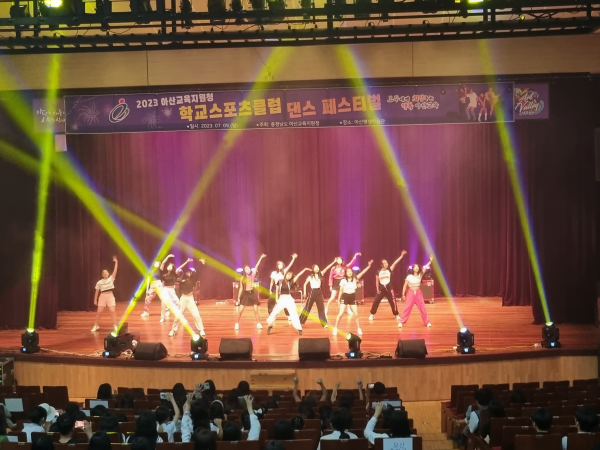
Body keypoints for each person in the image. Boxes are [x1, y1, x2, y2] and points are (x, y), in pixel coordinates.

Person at [332, 261, 373, 336]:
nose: (349, 273)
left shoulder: (355, 279)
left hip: (352, 297)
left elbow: (362, 273)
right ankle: (335, 328)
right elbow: (341, 291)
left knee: (356, 314)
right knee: (340, 314)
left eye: (350, 271)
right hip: (345, 297)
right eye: (348, 271)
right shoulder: (343, 280)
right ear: (346, 273)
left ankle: (359, 328)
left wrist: (369, 266)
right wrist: (338, 301)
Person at [169, 259, 207, 337]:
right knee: (178, 315)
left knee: (196, 315)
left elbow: (199, 271)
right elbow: (176, 272)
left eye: (189, 272)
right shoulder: (180, 279)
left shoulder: (193, 279)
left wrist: (202, 263)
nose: (188, 273)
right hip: (183, 298)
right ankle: (173, 330)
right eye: (186, 272)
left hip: (190, 299)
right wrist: (186, 262)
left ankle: (201, 329)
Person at [267, 270, 308, 336]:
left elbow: (298, 275)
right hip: (281, 298)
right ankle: (270, 326)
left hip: (288, 299)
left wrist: (304, 270)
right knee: (274, 312)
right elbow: (277, 291)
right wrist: (277, 299)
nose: (289, 276)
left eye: (290, 276)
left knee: (293, 313)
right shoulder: (279, 281)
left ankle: (299, 328)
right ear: (286, 274)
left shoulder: (291, 282)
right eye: (288, 274)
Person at [369, 251, 406, 321]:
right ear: (381, 265)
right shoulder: (378, 272)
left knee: (393, 302)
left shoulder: (389, 270)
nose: (386, 264)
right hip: (381, 289)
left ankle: (396, 314)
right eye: (384, 263)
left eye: (386, 263)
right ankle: (372, 314)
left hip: (389, 288)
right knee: (376, 301)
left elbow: (395, 263)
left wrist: (401, 256)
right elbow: (377, 281)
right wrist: (377, 289)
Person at [399, 255, 433, 328]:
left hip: (418, 293)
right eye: (415, 267)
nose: (416, 268)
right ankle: (401, 322)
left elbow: (425, 267)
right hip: (410, 293)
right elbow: (405, 285)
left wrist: (430, 261)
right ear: (413, 269)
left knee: (422, 308)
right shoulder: (409, 276)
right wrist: (403, 294)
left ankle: (427, 322)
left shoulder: (420, 275)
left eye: (417, 267)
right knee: (407, 307)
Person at [300, 260, 336, 328]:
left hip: (319, 292)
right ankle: (301, 320)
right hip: (312, 292)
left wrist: (334, 262)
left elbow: (327, 268)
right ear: (313, 269)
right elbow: (304, 284)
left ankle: (324, 323)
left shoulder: (320, 274)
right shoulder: (310, 276)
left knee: (321, 308)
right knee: (307, 308)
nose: (317, 268)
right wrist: (304, 293)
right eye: (315, 267)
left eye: (317, 267)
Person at [235, 254, 267, 330]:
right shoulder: (242, 278)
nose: (248, 270)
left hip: (252, 293)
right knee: (240, 310)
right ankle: (236, 323)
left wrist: (260, 257)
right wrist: (238, 298)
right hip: (245, 294)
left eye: (248, 268)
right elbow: (241, 289)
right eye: (246, 269)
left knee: (256, 310)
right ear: (244, 270)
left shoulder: (252, 275)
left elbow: (256, 266)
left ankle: (258, 323)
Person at [325, 253, 361, 317]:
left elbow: (351, 263)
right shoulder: (333, 268)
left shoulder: (345, 267)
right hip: (336, 282)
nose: (340, 260)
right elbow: (331, 277)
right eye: (338, 259)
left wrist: (355, 256)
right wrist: (330, 285)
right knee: (332, 297)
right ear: (336, 260)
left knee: (346, 296)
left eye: (341, 259)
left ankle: (348, 309)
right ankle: (326, 308)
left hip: (343, 281)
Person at [159, 254, 190, 324]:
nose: (168, 267)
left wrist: (187, 261)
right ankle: (162, 317)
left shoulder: (174, 274)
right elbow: (163, 263)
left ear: (173, 268)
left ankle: (181, 317)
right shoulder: (164, 275)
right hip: (165, 290)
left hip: (172, 290)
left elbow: (181, 266)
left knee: (178, 303)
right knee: (163, 304)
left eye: (170, 266)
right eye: (168, 266)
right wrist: (168, 257)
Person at [91, 256, 118, 332]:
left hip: (110, 296)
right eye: (103, 272)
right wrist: (95, 300)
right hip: (102, 296)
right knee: (99, 312)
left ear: (108, 273)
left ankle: (115, 325)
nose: (105, 273)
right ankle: (96, 325)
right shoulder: (99, 282)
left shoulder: (111, 279)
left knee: (112, 311)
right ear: (102, 275)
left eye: (106, 272)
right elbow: (97, 291)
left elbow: (115, 270)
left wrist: (116, 262)